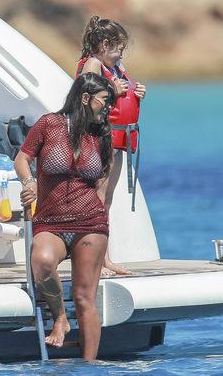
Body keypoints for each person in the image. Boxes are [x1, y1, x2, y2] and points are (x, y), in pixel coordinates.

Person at [15, 73, 116, 360]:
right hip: (51, 221)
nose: (108, 108)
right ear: (85, 98)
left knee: (85, 298)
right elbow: (22, 158)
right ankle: (60, 316)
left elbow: (102, 189)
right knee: (42, 261)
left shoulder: (102, 134)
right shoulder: (49, 124)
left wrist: (107, 248)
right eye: (104, 101)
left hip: (90, 222)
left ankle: (90, 366)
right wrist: (29, 182)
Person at [77, 16, 147, 277]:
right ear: (104, 44)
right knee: (97, 198)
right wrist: (112, 90)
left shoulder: (115, 67)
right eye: (118, 49)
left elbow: (117, 95)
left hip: (117, 139)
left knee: (105, 200)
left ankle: (105, 259)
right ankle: (94, 260)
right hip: (101, 139)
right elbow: (84, 97)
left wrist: (135, 93)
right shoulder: (93, 64)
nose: (120, 55)